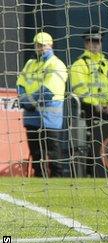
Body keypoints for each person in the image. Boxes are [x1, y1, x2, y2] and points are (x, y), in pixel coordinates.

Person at [16, 32, 68, 177]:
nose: (41, 48)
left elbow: (49, 90)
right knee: (35, 150)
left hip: (50, 113)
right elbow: (20, 84)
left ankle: (57, 177)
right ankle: (39, 176)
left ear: (50, 45)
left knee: (52, 149)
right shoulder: (30, 64)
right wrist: (25, 99)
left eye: (43, 45)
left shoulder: (56, 64)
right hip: (31, 113)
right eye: (38, 45)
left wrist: (28, 101)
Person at [70, 28, 108, 176]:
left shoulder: (107, 64)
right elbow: (79, 88)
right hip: (89, 108)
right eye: (91, 41)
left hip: (107, 108)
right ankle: (91, 172)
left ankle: (107, 171)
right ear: (86, 43)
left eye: (98, 41)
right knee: (92, 141)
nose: (95, 45)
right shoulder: (80, 63)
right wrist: (95, 103)